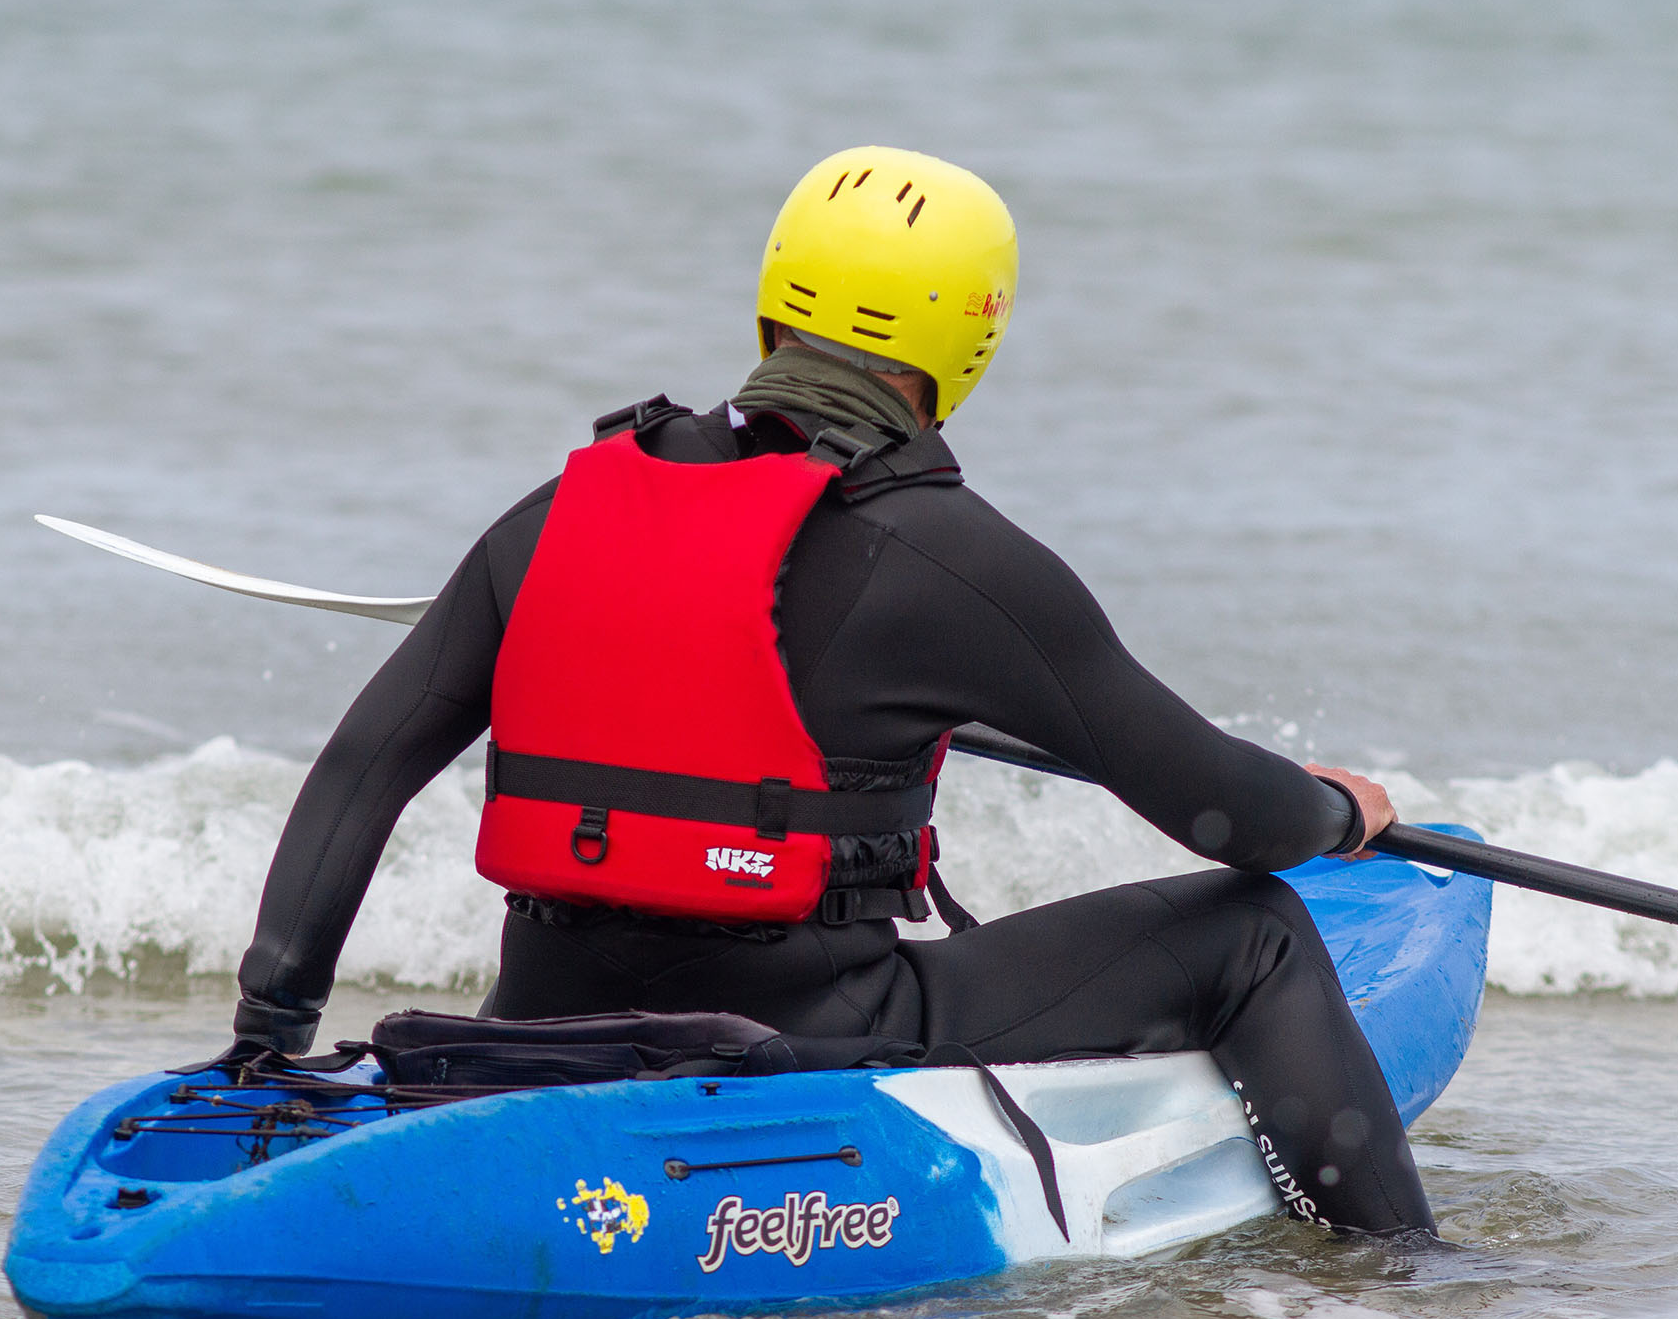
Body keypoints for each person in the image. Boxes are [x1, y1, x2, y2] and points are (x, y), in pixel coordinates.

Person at [232, 147, 1434, 1236]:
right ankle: (1400, 1282)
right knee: (1259, 936)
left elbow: (360, 771)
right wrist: (1337, 811)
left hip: (535, 1031)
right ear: (969, 346)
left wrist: (267, 1044)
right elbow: (1231, 817)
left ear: (771, 309)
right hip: (808, 1039)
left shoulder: (557, 516)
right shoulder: (956, 561)